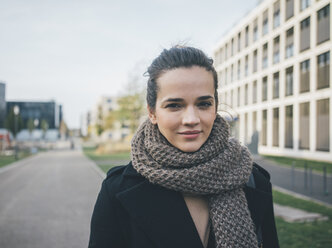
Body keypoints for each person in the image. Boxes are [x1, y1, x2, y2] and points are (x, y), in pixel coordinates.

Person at [88, 46, 279, 248]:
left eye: (204, 104)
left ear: (215, 107)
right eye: (174, 105)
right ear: (152, 113)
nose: (191, 119)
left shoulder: (253, 180)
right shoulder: (117, 190)